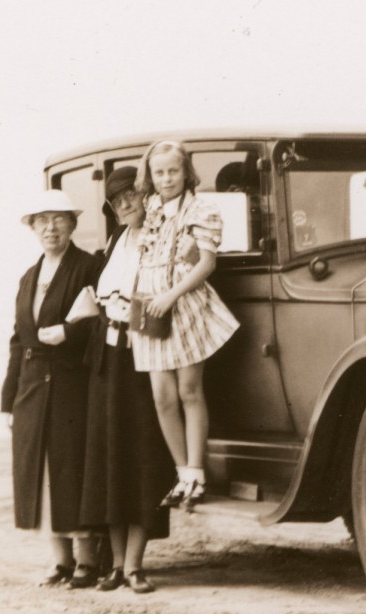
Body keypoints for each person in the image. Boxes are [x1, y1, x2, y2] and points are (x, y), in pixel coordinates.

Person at [78, 167, 177, 594]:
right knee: (109, 461)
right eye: (116, 202)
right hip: (108, 359)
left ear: (145, 197)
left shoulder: (157, 238)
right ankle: (117, 566)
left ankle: (135, 565)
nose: (124, 206)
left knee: (141, 459)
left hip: (142, 355)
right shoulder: (116, 241)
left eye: (130, 197)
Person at [0, 189, 102, 588]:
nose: (50, 227)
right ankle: (59, 561)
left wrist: (69, 333)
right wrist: (8, 400)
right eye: (41, 220)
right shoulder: (29, 276)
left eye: (58, 218)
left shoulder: (89, 266)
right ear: (33, 228)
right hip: (31, 388)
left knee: (71, 468)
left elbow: (104, 319)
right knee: (40, 473)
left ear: (73, 224)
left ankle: (87, 562)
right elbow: (17, 339)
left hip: (71, 383)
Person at [131, 141, 239, 509]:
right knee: (162, 397)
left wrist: (171, 295)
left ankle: (197, 472)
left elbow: (206, 264)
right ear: (151, 176)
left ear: (186, 172)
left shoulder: (201, 209)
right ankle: (182, 473)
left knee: (189, 391)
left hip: (183, 304)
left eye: (173, 171)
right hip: (150, 306)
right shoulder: (150, 209)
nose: (166, 179)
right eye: (159, 172)